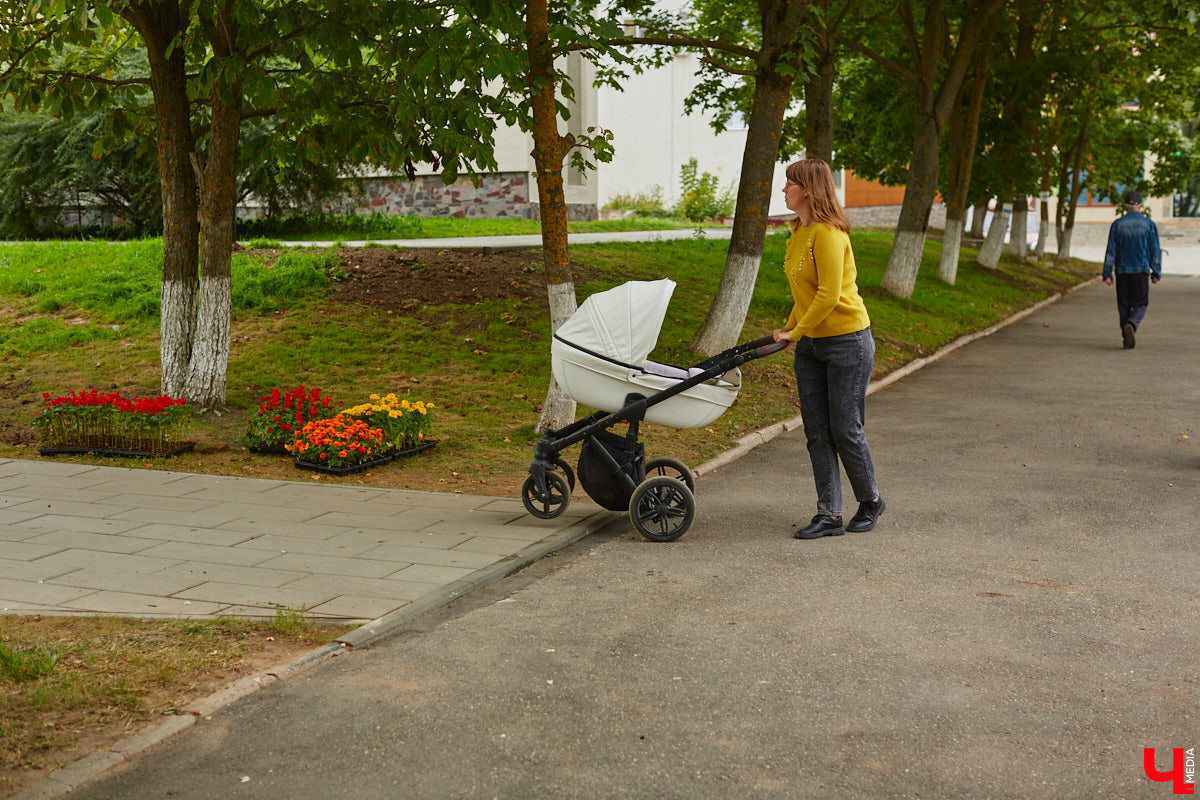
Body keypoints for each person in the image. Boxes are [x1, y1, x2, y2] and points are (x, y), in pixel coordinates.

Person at [772, 158, 884, 540]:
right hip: (812, 346)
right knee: (817, 432)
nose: (783, 189)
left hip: (847, 343)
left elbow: (829, 295)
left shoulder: (830, 233)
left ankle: (870, 501)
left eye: (789, 183)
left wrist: (796, 332)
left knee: (845, 428)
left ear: (807, 189)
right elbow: (804, 292)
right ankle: (829, 515)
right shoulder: (797, 231)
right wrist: (791, 328)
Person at [1102, 190, 1161, 349]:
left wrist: (1107, 274)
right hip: (1141, 270)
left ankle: (1125, 337)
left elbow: (1111, 251)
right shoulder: (1149, 224)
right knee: (1141, 303)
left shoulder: (1117, 224)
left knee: (1123, 305)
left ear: (1125, 206)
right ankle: (1132, 324)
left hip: (1122, 271)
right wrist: (1156, 272)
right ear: (1141, 206)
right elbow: (1154, 249)